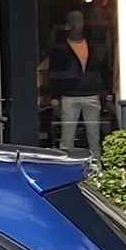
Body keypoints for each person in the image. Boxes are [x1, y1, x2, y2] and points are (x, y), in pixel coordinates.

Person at [41, 10, 108, 151]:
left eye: (80, 20)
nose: (77, 24)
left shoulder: (94, 45)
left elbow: (103, 67)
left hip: (92, 93)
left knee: (94, 136)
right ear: (68, 24)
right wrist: (54, 96)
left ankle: (96, 166)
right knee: (67, 137)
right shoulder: (59, 48)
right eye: (74, 21)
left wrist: (106, 90)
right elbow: (53, 73)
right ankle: (67, 166)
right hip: (69, 95)